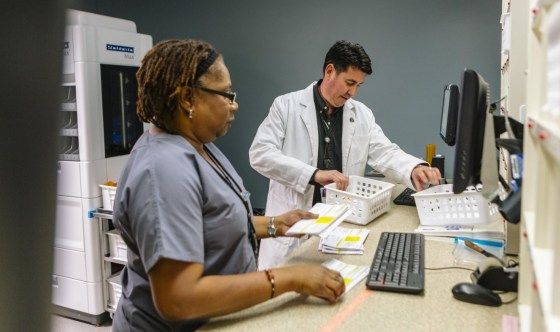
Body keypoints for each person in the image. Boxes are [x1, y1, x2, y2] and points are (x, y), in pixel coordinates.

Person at [111, 39, 346, 331]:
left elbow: (210, 220)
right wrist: (289, 278)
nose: (234, 104)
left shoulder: (197, 144)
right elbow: (178, 299)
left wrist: (275, 224)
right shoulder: (163, 171)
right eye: (225, 94)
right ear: (187, 98)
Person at [249, 40, 441, 270]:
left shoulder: (361, 114)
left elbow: (384, 151)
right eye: (350, 82)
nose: (352, 92)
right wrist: (314, 174)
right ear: (329, 71)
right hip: (295, 225)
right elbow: (260, 154)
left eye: (359, 85)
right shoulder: (286, 106)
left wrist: (413, 168)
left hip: (340, 225)